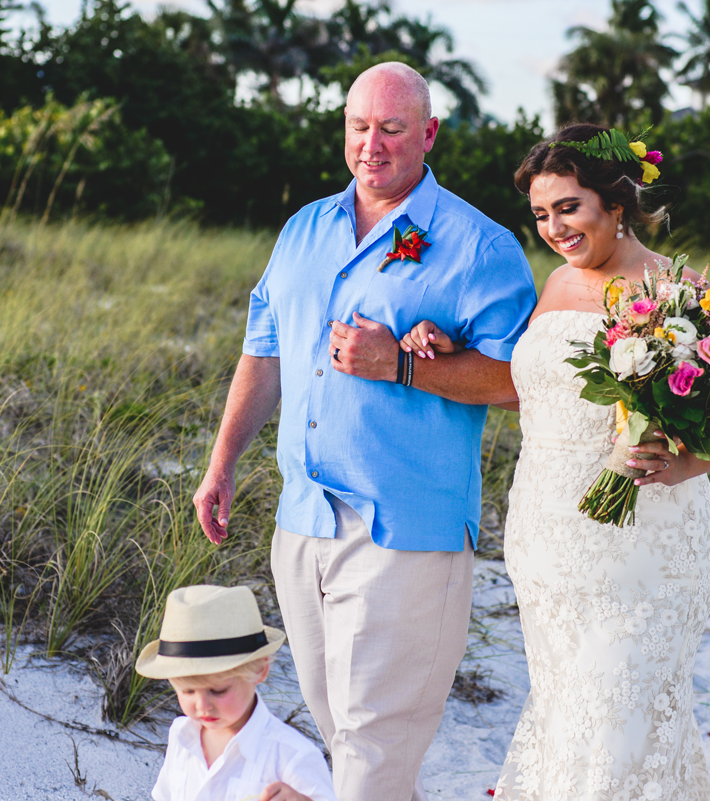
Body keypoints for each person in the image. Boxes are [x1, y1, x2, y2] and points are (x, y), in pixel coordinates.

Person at [191, 62, 537, 801]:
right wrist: (221, 463)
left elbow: (519, 382)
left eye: (391, 128)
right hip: (303, 521)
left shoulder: (481, 246)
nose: (371, 145)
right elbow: (264, 350)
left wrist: (401, 367)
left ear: (428, 133)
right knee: (348, 744)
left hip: (406, 531)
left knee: (374, 752)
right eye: (359, 126)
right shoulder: (304, 228)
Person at [401, 123, 710, 801]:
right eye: (541, 214)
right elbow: (531, 375)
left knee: (615, 722)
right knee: (571, 717)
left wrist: (685, 466)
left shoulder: (679, 291)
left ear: (616, 204)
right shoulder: (558, 282)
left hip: (644, 542)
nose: (554, 227)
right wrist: (441, 340)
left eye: (568, 207)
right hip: (547, 536)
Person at [136, 584, 337, 801]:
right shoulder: (181, 735)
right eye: (188, 691)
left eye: (218, 690)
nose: (202, 705)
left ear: (260, 670)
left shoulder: (292, 756)